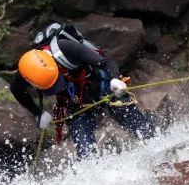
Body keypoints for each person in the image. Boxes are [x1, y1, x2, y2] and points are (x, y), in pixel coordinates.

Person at [10, 22, 156, 157]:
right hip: (74, 103)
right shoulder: (27, 71)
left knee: (140, 127)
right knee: (86, 154)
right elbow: (16, 90)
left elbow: (106, 62)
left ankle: (157, 145)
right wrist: (37, 113)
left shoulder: (66, 48)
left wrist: (115, 79)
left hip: (102, 86)